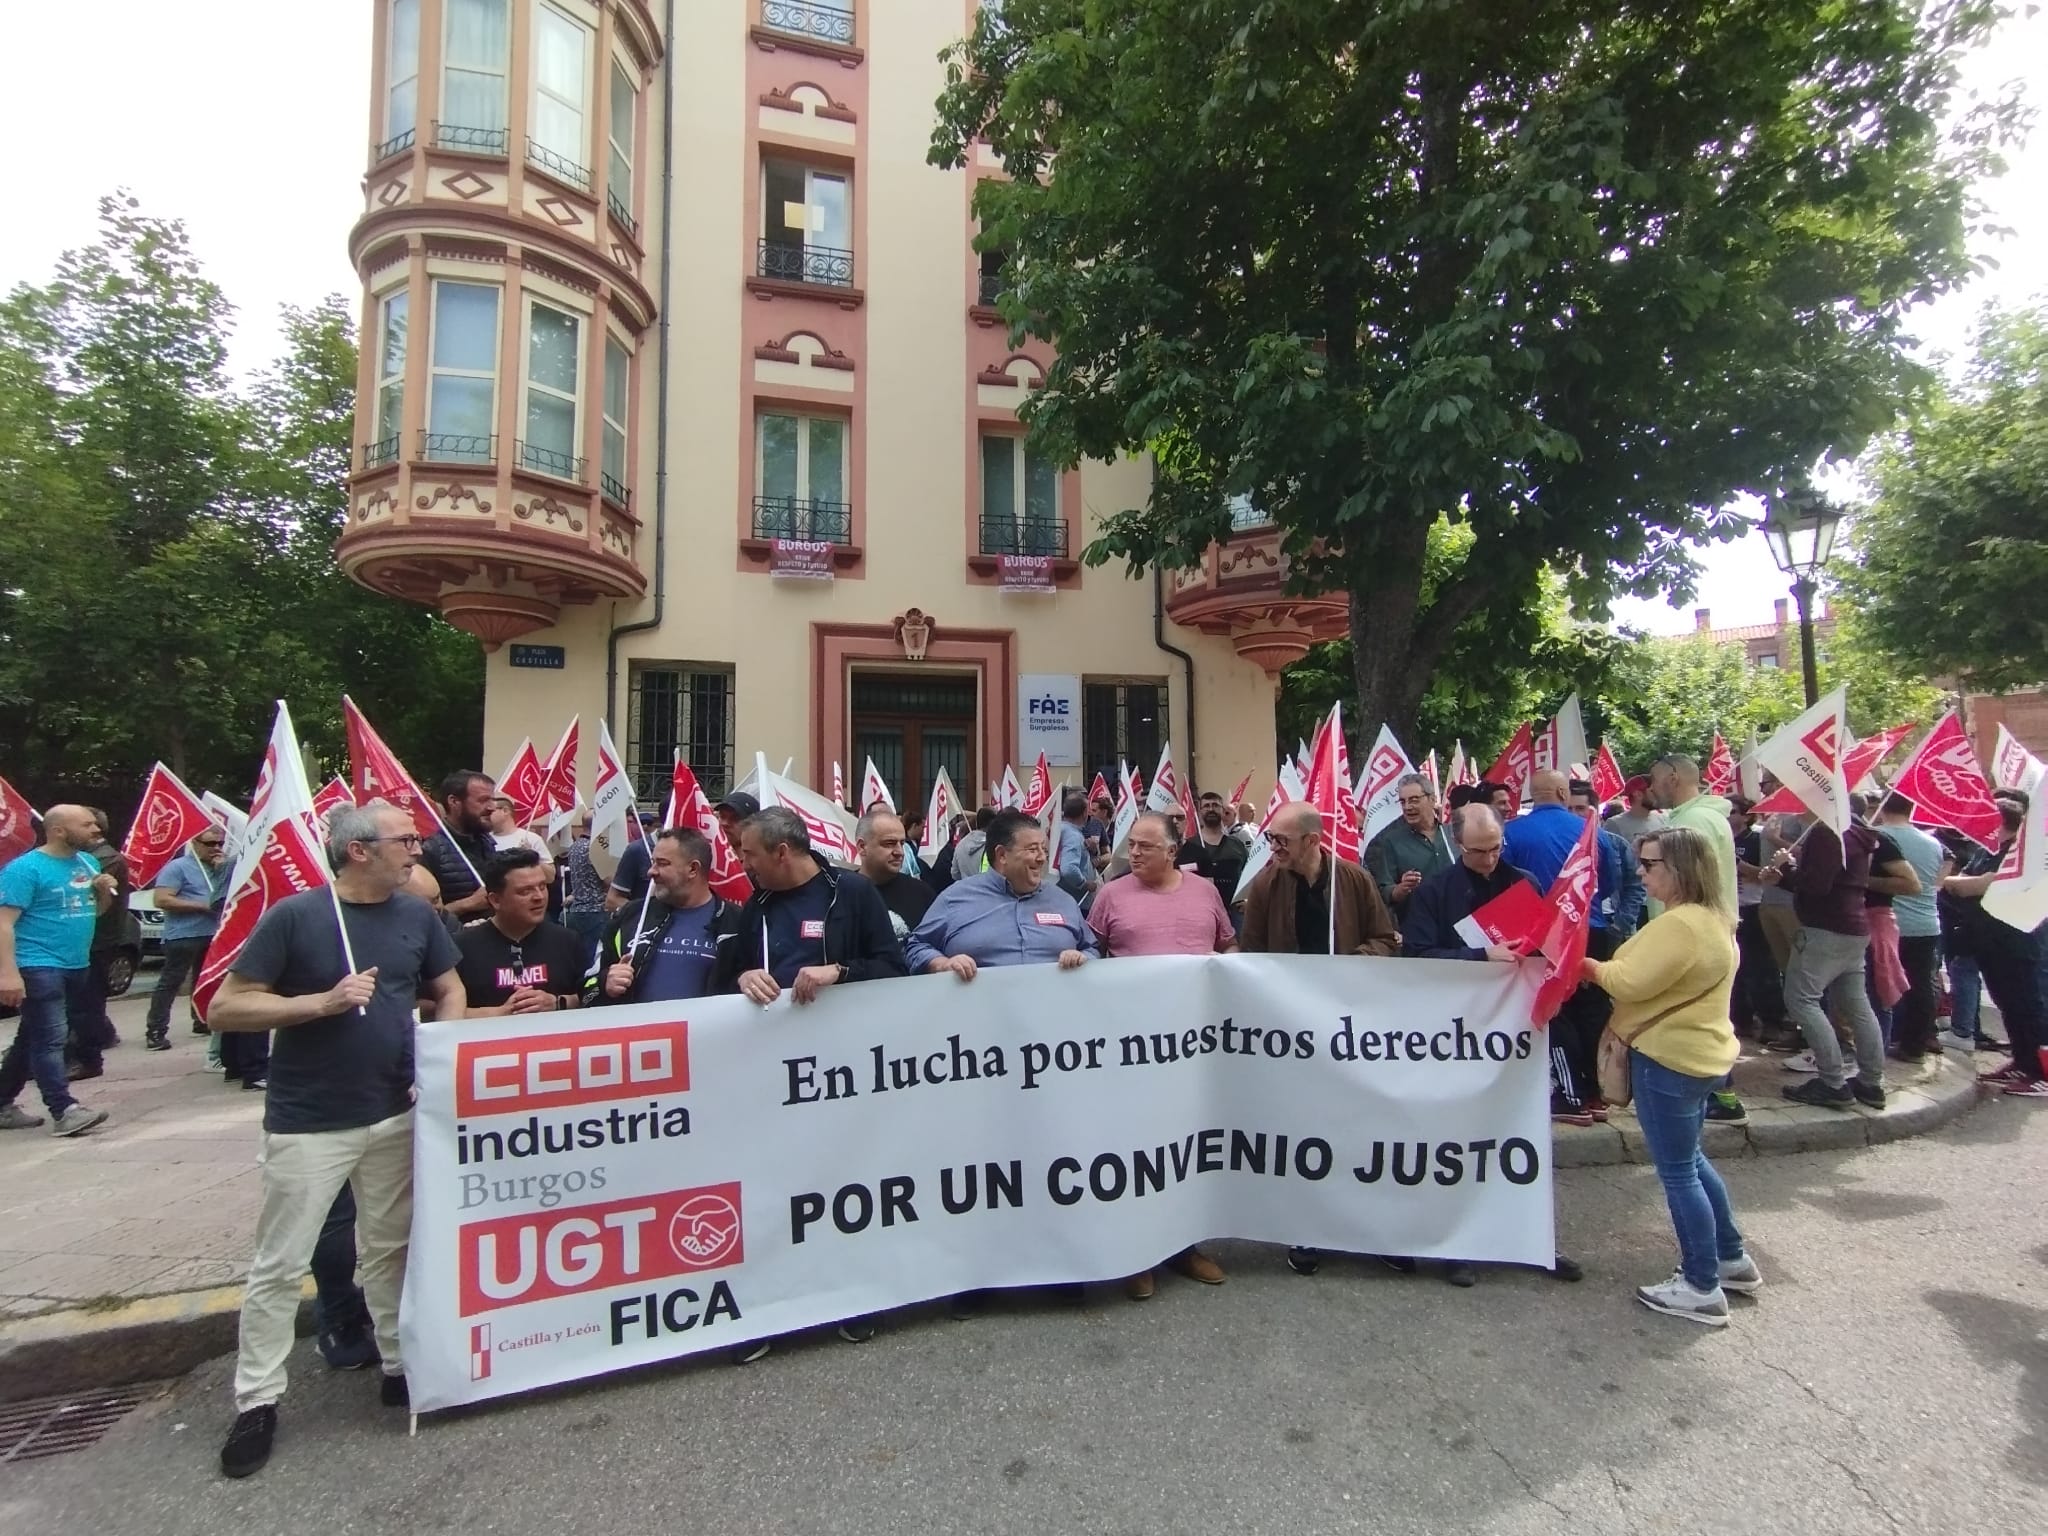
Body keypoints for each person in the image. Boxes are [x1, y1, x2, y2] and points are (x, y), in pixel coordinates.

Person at [210, 801, 465, 1479]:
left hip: (394, 1109)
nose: (417, 848)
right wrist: (316, 1004)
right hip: (310, 1120)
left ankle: (396, 1362)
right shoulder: (296, 916)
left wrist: (440, 1054)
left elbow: (449, 986)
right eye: (404, 839)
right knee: (279, 1262)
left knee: (391, 1247)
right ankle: (258, 1400)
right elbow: (225, 1006)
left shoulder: (417, 916)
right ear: (359, 851)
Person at [721, 807, 906, 1349]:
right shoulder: (751, 903)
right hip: (768, 1072)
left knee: (841, 1184)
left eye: (749, 853)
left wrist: (840, 972)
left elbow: (892, 968)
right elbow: (719, 979)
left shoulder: (850, 895)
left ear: (782, 853)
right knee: (773, 1189)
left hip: (841, 1071)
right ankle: (767, 1309)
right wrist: (740, 974)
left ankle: (848, 1297)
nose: (741, 862)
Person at [1382, 804, 1585, 1287]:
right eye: (1479, 851)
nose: (1491, 859)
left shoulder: (1525, 882)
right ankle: (1457, 1245)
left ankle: (1531, 1237)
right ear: (1458, 845)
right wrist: (1479, 955)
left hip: (1517, 1035)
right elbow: (1418, 955)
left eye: (1496, 848)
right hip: (1457, 1035)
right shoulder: (1435, 891)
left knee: (1520, 1133)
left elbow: (1546, 944)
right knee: (1458, 1139)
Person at [1581, 825, 1760, 1327]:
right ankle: (1730, 1258)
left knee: (1679, 1172)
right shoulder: (1711, 920)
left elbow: (1629, 981)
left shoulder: (1680, 925)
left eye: (1651, 863)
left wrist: (1591, 967)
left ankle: (1701, 1284)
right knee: (1692, 1162)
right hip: (1700, 1055)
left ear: (1681, 868)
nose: (1642, 871)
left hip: (1669, 1058)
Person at [1088, 811, 1235, 1298]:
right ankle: (1139, 1253)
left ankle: (1185, 1246)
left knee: (1188, 1146)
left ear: (1173, 851)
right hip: (1130, 1047)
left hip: (1194, 1049)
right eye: (1131, 845)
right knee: (1136, 1147)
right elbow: (1090, 954)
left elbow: (1228, 948)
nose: (1133, 854)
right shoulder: (1110, 896)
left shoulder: (1205, 893)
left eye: (1145, 847)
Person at [1505, 771, 1619, 1124]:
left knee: (1557, 1011)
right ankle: (1599, 1091)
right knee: (1594, 1009)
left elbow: (1506, 884)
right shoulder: (1592, 833)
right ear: (1560, 792)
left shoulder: (1511, 832)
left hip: (1542, 934)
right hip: (1590, 930)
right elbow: (1609, 882)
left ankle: (1572, 1094)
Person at [0, 805, 116, 1136]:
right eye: (87, 824)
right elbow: (3, 923)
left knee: (31, 1038)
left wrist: (102, 892)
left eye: (95, 822)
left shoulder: (87, 863)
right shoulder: (24, 870)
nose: (96, 828)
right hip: (38, 964)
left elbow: (95, 913)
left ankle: (1, 1103)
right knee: (52, 1038)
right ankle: (64, 1110)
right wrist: (8, 973)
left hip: (76, 963)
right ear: (58, 831)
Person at [1768, 811, 1888, 1110]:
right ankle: (1871, 1081)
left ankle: (1832, 1082)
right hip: (1853, 927)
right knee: (1856, 1003)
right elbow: (1833, 877)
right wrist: (1790, 873)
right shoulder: (1857, 831)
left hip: (1825, 928)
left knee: (1801, 1000)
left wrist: (1785, 870)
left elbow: (1817, 885)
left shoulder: (1827, 832)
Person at [1943, 790, 2046, 1097]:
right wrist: (1958, 883)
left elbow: (1974, 884)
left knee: (2029, 1007)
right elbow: (1967, 880)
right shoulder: (1988, 850)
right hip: (1989, 941)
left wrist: (1946, 883)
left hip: (2017, 941)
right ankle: (2023, 1061)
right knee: (2009, 1006)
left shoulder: (2019, 855)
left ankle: (2042, 1073)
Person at [908, 809, 1094, 977]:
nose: (1042, 858)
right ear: (1002, 855)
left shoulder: (1063, 901)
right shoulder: (955, 898)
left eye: (1043, 850)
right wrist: (942, 964)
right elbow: (916, 946)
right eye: (1032, 849)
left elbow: (1092, 949)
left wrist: (1082, 957)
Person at [588, 827, 743, 1007]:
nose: (651, 872)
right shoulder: (631, 915)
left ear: (693, 869)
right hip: (641, 1033)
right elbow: (586, 986)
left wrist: (744, 978)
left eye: (662, 863)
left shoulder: (735, 922)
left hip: (707, 1033)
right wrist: (605, 981)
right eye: (653, 862)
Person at [1239, 804, 1400, 959]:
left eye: (1282, 840)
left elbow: (1383, 938)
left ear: (1311, 840)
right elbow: (1251, 950)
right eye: (1270, 837)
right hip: (1287, 984)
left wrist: (1355, 961)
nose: (1273, 847)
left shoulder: (1355, 878)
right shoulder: (1265, 884)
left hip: (1344, 983)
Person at [454, 850, 588, 1014]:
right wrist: (498, 1013)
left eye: (542, 886)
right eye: (526, 891)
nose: (539, 897)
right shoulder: (462, 947)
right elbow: (432, 1008)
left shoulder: (568, 941)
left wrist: (557, 1002)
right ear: (495, 900)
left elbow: (590, 996)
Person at [144, 826, 229, 1051]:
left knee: (206, 980)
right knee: (171, 982)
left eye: (220, 844)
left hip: (213, 932)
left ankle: (201, 1019)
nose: (216, 849)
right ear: (195, 843)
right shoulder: (179, 867)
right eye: (210, 844)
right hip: (184, 933)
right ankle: (156, 1029)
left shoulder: (222, 867)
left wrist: (223, 871)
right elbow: (162, 899)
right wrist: (201, 906)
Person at [1876, 794, 1945, 1062]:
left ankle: (1883, 1040)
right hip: (1927, 923)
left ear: (1883, 808)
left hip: (1888, 923)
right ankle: (1915, 1045)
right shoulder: (1933, 843)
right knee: (1920, 986)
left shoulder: (1876, 837)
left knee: (1881, 985)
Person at [69, 807, 132, 1075]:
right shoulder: (88, 858)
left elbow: (96, 902)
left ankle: (88, 1054)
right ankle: (99, 1037)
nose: (92, 830)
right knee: (83, 999)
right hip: (88, 939)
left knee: (88, 999)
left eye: (91, 825)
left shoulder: (104, 859)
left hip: (97, 939)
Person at [1725, 797, 1786, 1043]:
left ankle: (1772, 1020)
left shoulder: (1756, 839)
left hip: (1753, 907)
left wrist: (1739, 865)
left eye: (1733, 812)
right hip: (1730, 908)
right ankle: (1741, 1019)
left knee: (1761, 967)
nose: (1728, 816)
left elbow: (1765, 874)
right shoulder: (1723, 838)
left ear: (1747, 815)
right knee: (1735, 968)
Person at [1366, 773, 1455, 914]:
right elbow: (1384, 892)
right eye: (1403, 802)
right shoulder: (1391, 841)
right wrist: (1402, 888)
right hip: (1419, 926)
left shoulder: (1452, 835)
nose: (1407, 807)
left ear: (1432, 799)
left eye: (1414, 800)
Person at [419, 770, 496, 921]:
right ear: (454, 801)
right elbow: (420, 916)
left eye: (492, 800)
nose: (492, 807)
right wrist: (468, 904)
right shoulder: (430, 849)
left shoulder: (486, 842)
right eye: (483, 800)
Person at [1572, 778, 1644, 939]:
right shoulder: (1563, 845)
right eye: (1569, 809)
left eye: (1580, 808)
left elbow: (1635, 885)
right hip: (1575, 923)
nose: (1574, 814)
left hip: (1612, 922)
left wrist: (1621, 923)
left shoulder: (1617, 844)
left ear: (1594, 810)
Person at [857, 809, 934, 939]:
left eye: (902, 843)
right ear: (862, 847)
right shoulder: (839, 894)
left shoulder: (922, 894)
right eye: (889, 844)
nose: (900, 852)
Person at [1178, 789, 1248, 918]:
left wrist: (1248, 899)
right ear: (1200, 812)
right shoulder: (1188, 847)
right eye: (1206, 806)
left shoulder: (1237, 845)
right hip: (1199, 913)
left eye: (1215, 805)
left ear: (1223, 811)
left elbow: (1249, 875)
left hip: (1233, 912)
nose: (1211, 809)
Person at [561, 814, 609, 947]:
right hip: (595, 910)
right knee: (593, 957)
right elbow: (608, 880)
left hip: (577, 908)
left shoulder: (574, 846)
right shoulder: (595, 848)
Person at [604, 813, 661, 911]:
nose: (645, 826)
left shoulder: (692, 848)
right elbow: (612, 899)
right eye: (642, 823)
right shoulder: (636, 849)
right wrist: (646, 914)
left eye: (649, 823)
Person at [485, 795, 553, 875]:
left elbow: (550, 876)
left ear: (505, 811)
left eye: (490, 811)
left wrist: (532, 856)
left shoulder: (531, 838)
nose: (485, 815)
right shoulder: (484, 840)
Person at [1606, 777, 1666, 844]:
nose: (1658, 795)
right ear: (1638, 794)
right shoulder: (1614, 824)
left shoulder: (1663, 817)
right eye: (1653, 791)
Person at [952, 805, 996, 884]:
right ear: (993, 823)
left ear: (977, 823)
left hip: (965, 891)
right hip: (987, 891)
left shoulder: (961, 844)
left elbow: (955, 874)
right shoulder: (994, 846)